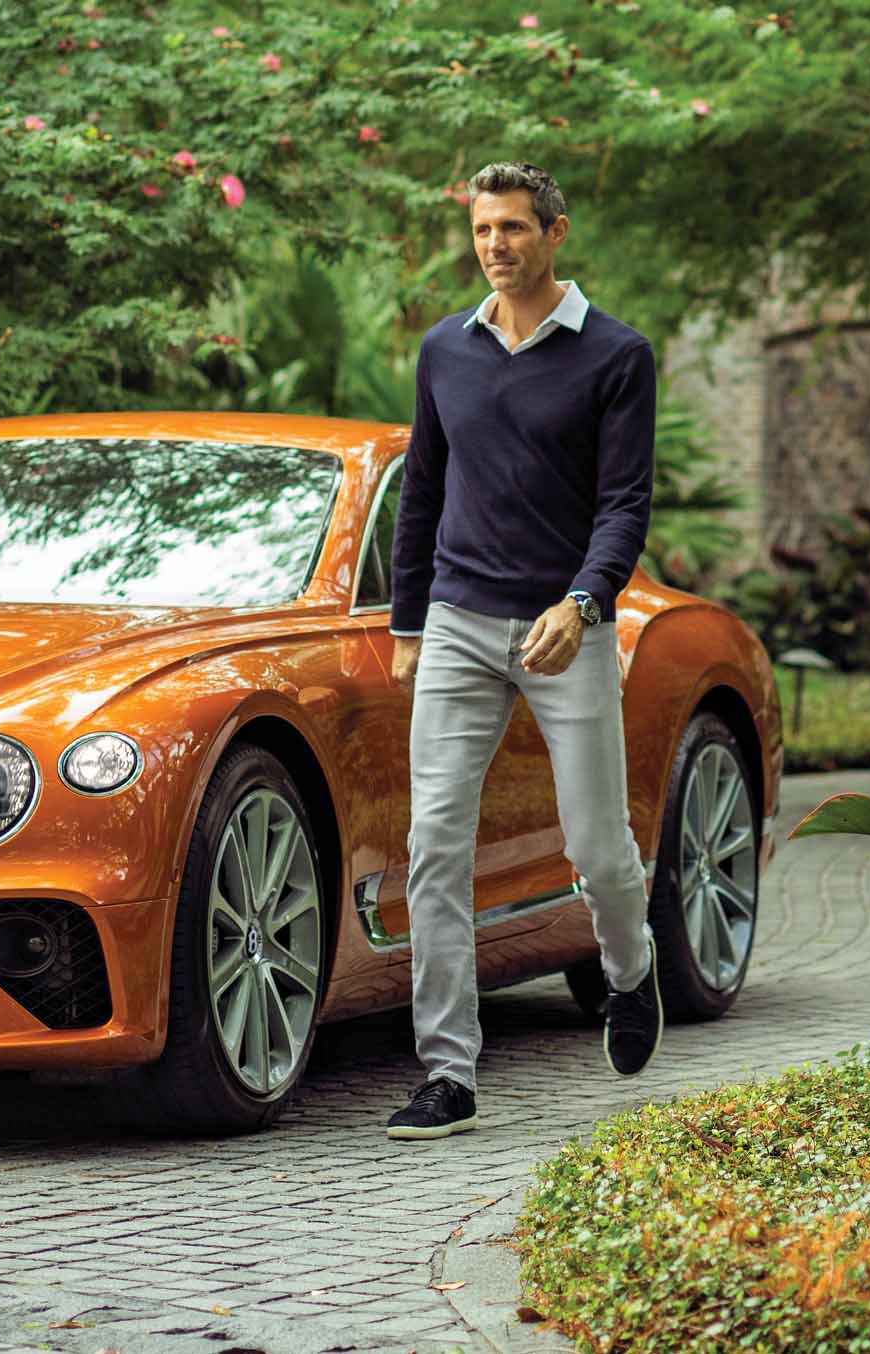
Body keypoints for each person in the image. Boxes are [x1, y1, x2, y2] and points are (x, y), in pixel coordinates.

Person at [383, 161, 659, 1142]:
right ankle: (447, 1072)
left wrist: (584, 604)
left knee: (596, 846)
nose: (494, 246)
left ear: (554, 232)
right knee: (433, 848)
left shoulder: (614, 356)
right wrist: (408, 626)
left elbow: (624, 503)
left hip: (563, 625)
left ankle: (629, 973)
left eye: (511, 228)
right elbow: (421, 492)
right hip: (457, 620)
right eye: (482, 230)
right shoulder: (443, 352)